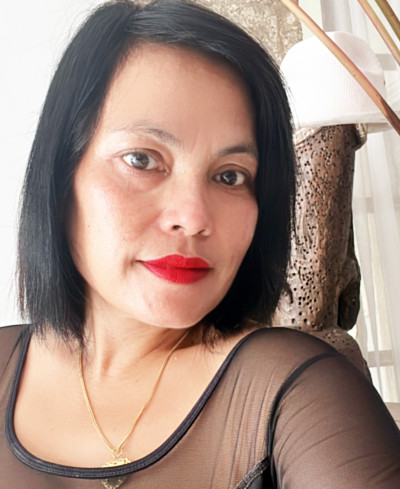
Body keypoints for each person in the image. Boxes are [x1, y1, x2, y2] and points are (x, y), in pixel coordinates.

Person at [0, 0, 399, 487]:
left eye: (230, 176)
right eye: (142, 160)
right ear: (62, 175)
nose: (192, 218)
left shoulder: (301, 391)